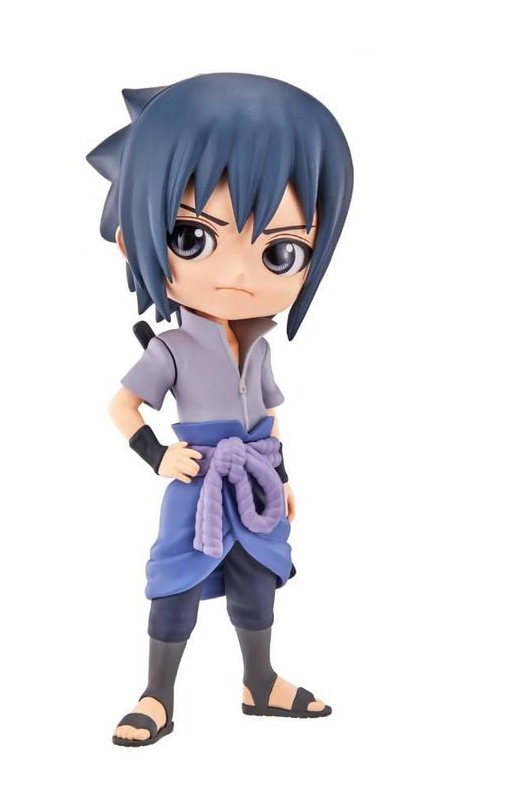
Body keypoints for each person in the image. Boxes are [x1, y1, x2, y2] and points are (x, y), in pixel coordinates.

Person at [86, 72, 354, 746]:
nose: (238, 274)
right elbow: (122, 406)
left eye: (280, 250)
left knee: (257, 578)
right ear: (135, 239)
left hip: (255, 476)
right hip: (198, 475)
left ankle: (259, 682)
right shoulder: (172, 347)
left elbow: (269, 413)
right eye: (193, 237)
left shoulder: (259, 344)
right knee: (175, 580)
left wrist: (282, 476)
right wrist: (159, 455)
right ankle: (157, 695)